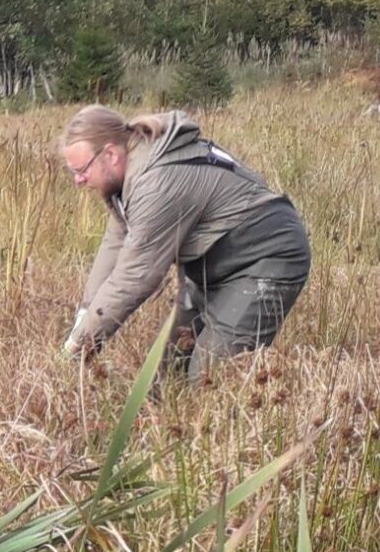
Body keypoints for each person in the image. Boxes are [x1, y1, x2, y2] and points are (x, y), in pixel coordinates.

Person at [57, 106, 312, 379]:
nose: (78, 180)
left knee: (206, 379)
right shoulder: (132, 173)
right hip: (212, 266)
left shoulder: (156, 183)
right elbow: (116, 241)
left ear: (110, 154)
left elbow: (133, 278)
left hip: (267, 256)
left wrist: (78, 347)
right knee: (160, 380)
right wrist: (85, 313)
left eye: (82, 170)